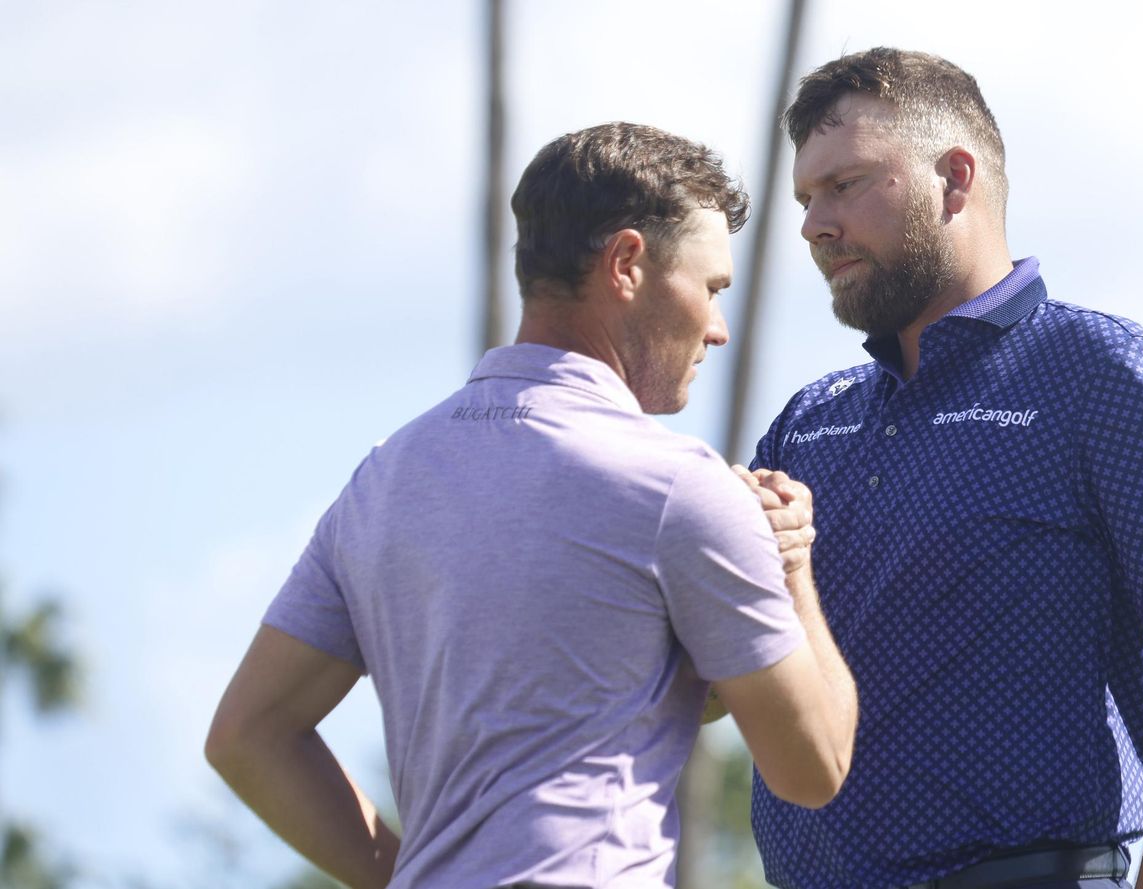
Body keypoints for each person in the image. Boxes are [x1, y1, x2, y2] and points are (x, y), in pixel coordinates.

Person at [204, 122, 857, 889]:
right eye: (711, 288)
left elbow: (248, 736)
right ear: (626, 264)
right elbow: (813, 765)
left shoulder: (385, 477)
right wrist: (790, 563)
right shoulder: (678, 484)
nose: (716, 328)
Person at [746, 48, 1143, 889]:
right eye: (807, 198)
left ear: (955, 179)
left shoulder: (1096, 367)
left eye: (843, 185)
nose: (813, 224)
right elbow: (720, 670)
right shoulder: (810, 420)